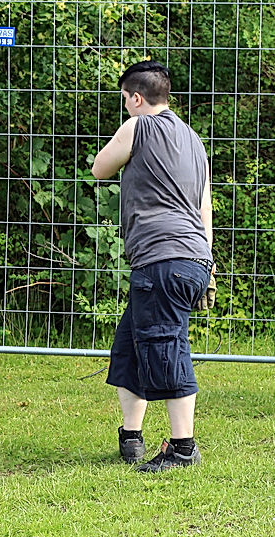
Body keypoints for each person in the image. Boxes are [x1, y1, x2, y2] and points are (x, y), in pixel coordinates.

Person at [92, 60, 216, 472]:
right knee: (129, 346)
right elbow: (204, 209)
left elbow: (99, 168)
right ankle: (131, 436)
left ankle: (183, 449)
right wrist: (207, 264)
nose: (125, 107)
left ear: (137, 97)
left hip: (162, 258)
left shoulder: (139, 126)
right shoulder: (195, 141)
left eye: (124, 100)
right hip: (192, 257)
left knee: (167, 347)